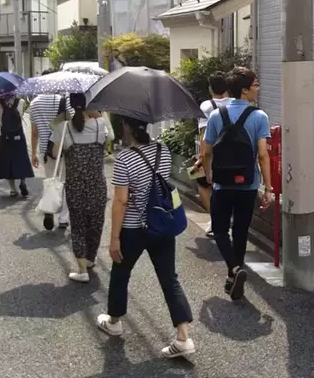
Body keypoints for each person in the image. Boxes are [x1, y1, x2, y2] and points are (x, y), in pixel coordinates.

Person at [96, 117, 195, 358]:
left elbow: (121, 201)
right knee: (169, 278)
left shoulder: (125, 158)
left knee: (120, 272)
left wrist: (114, 238)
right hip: (161, 223)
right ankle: (183, 336)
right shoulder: (163, 150)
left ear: (126, 127)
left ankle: (114, 321)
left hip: (133, 228)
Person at [203, 67, 272, 301]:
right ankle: (235, 273)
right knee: (241, 231)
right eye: (255, 85)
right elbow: (262, 155)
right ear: (244, 90)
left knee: (220, 229)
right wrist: (268, 187)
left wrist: (209, 174)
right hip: (248, 184)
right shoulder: (259, 117)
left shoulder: (216, 115)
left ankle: (233, 270)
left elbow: (207, 151)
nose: (257, 89)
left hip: (222, 184)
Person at [50, 93, 113, 283]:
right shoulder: (100, 124)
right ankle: (90, 259)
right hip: (97, 185)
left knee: (78, 226)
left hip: (75, 186)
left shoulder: (64, 127)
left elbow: (55, 154)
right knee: (96, 224)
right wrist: (99, 113)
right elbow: (111, 137)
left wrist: (59, 123)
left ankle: (82, 269)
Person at [29, 69, 74, 230]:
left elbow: (34, 132)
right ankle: (63, 219)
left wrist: (33, 153)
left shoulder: (34, 103)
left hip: (45, 150)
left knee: (50, 181)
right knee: (65, 182)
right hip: (64, 148)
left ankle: (49, 209)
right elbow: (71, 124)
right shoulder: (65, 101)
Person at [194, 71, 233, 238]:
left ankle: (216, 219)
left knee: (203, 185)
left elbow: (204, 137)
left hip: (214, 154)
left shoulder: (206, 106)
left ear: (210, 88)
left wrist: (203, 159)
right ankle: (226, 219)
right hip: (233, 153)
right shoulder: (235, 103)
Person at [0, 95, 34, 196]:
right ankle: (23, 182)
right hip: (18, 136)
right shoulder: (21, 101)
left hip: (5, 137)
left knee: (7, 161)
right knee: (21, 160)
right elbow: (22, 115)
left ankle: (13, 189)